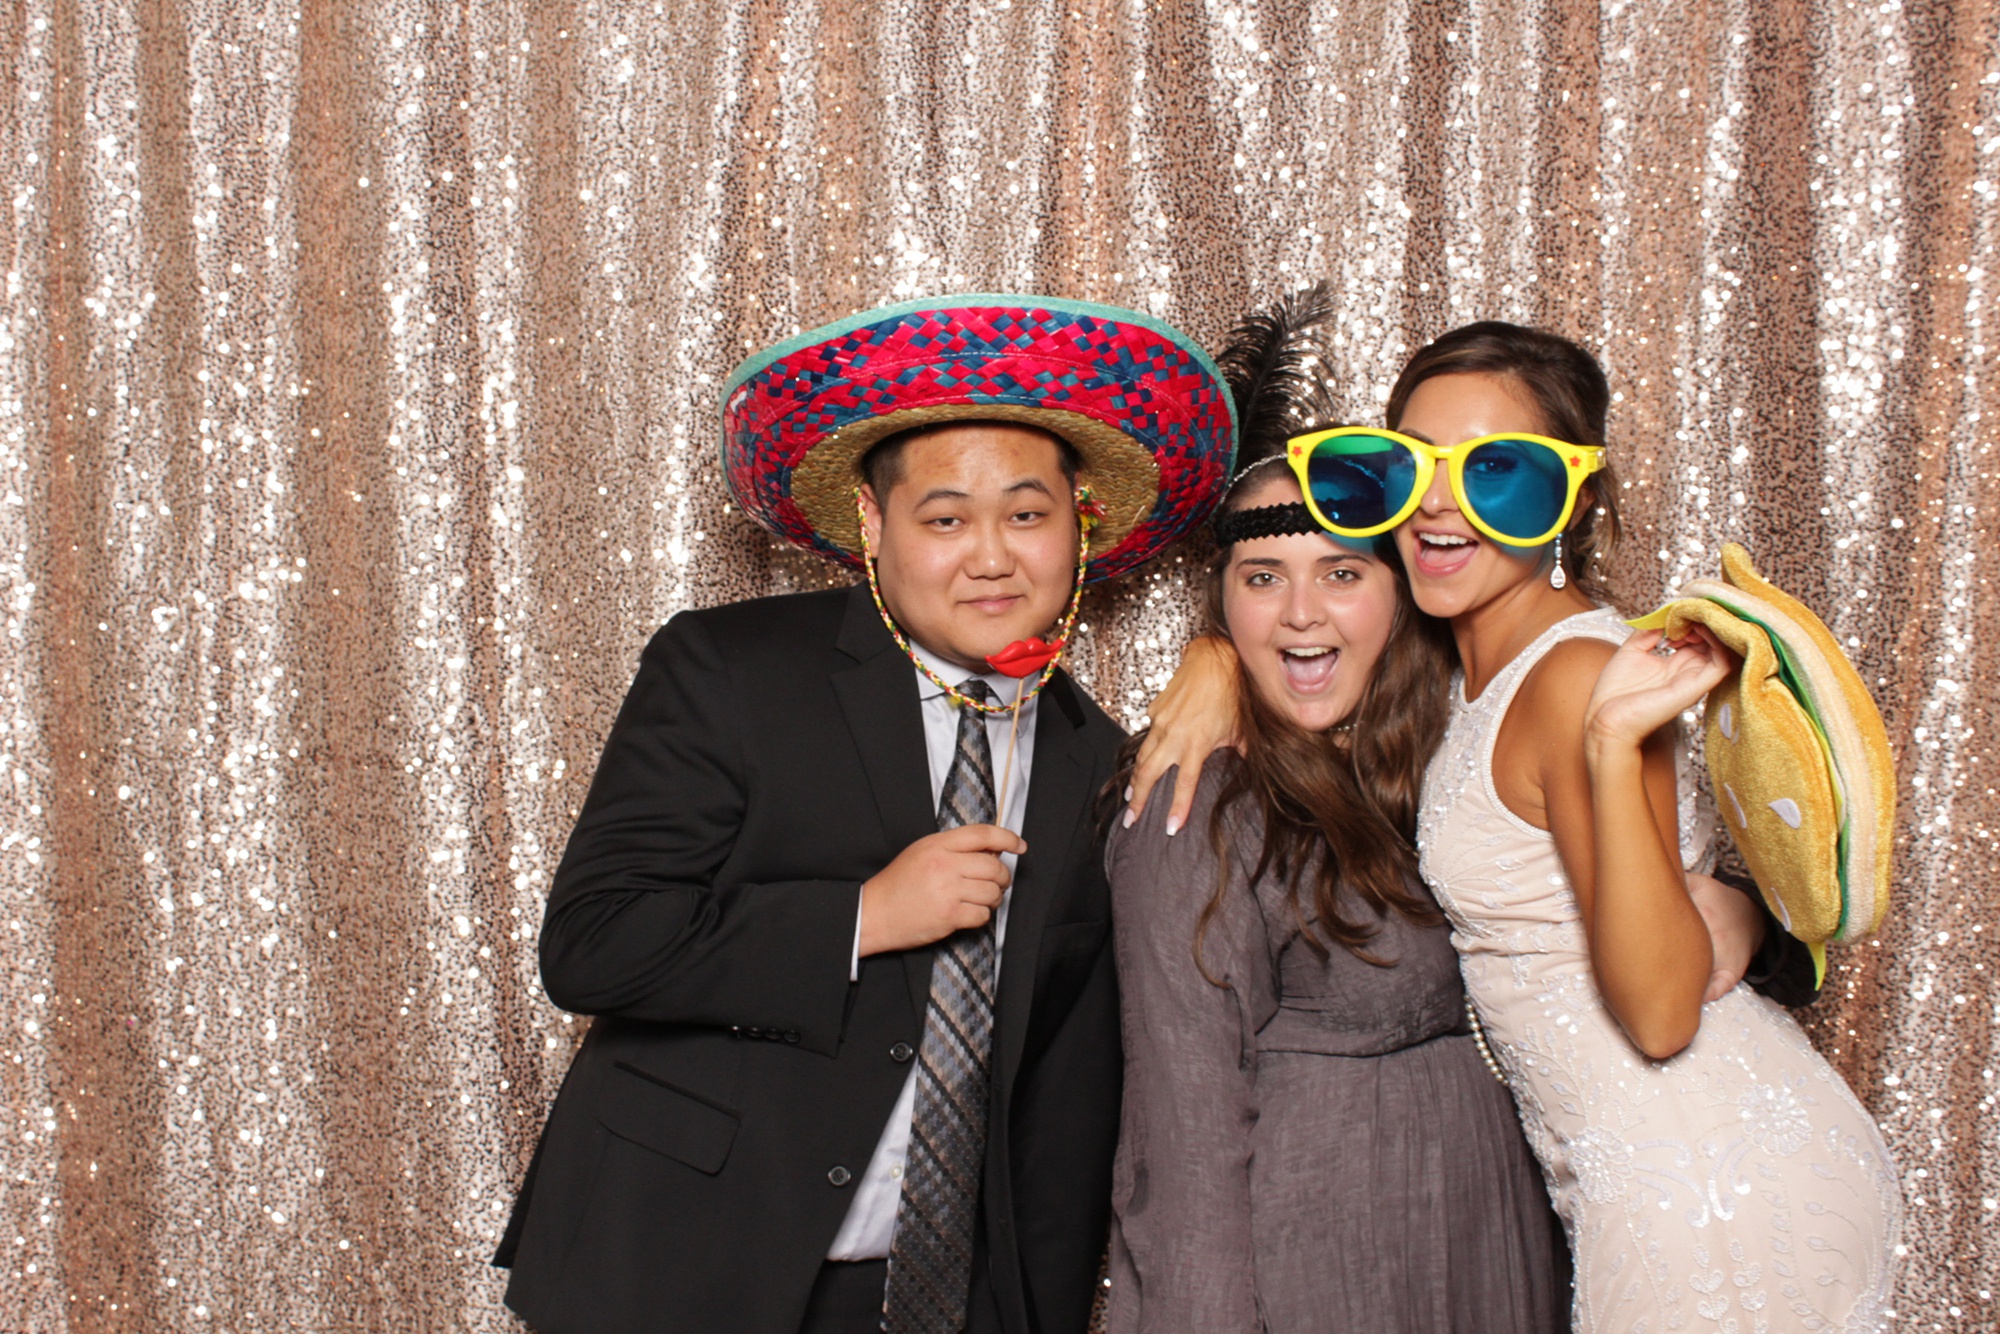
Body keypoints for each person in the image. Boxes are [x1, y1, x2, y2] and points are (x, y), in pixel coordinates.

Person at [1134, 319, 1903, 1332]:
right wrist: (1213, 658)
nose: (1443, 502)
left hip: (1701, 1175)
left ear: (1571, 497)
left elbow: (1662, 1012)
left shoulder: (1574, 676)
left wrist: (1608, 746)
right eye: (1416, 464)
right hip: (1638, 1165)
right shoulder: (1469, 670)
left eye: (1496, 468)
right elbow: (1316, 614)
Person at [492, 294, 1237, 1334]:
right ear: (874, 527)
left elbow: (1064, 1098)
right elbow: (592, 942)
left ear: (1081, 523)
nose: (990, 555)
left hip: (929, 1295)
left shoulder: (1102, 764)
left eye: (1026, 514)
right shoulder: (731, 669)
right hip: (682, 1264)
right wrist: (862, 916)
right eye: (944, 519)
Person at [1105, 432, 1566, 1332]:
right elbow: (1183, 1134)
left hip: (1487, 1252)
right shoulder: (1201, 801)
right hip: (1321, 1272)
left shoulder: (1451, 754)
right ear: (1223, 609)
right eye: (1263, 576)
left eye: (1343, 574)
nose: (1301, 614)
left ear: (1402, 595)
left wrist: (1746, 917)